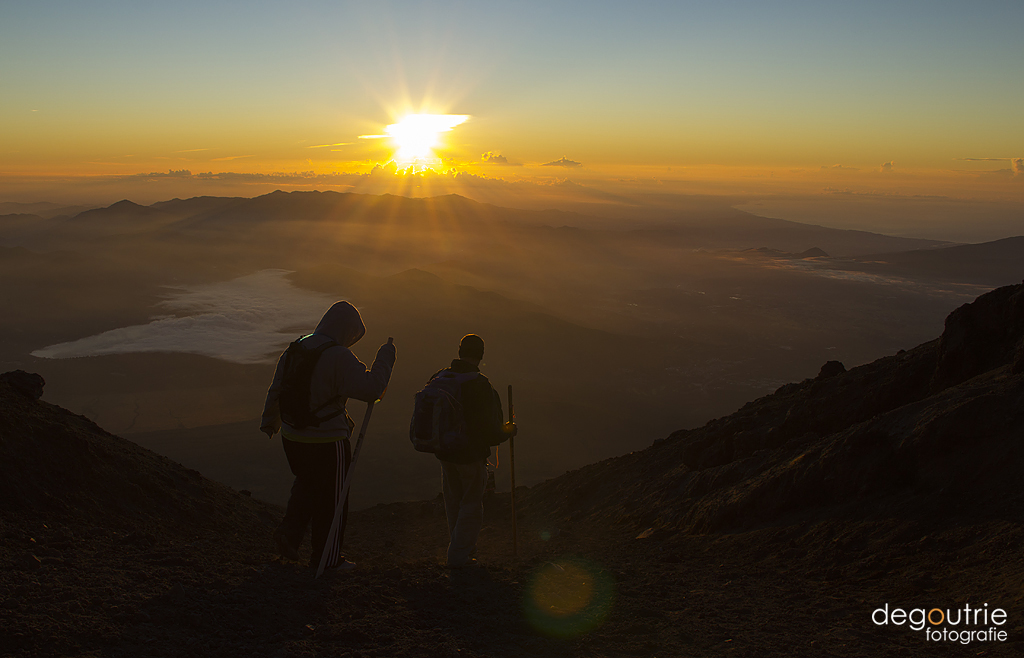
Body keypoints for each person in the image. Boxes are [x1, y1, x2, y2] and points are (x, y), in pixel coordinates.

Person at [261, 301, 395, 572]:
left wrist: (270, 422)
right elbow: (372, 390)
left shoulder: (297, 347)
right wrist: (385, 360)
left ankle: (290, 534)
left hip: (292, 436)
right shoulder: (338, 356)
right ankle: (328, 559)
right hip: (327, 441)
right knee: (333, 500)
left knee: (306, 485)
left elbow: (277, 387)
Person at [428, 334, 516, 568]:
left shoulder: (441, 377)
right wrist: (509, 431)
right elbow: (491, 430)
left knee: (453, 501)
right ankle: (459, 557)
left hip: (444, 453)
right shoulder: (479, 385)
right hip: (470, 455)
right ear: (481, 354)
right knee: (471, 504)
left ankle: (462, 551)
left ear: (459, 351)